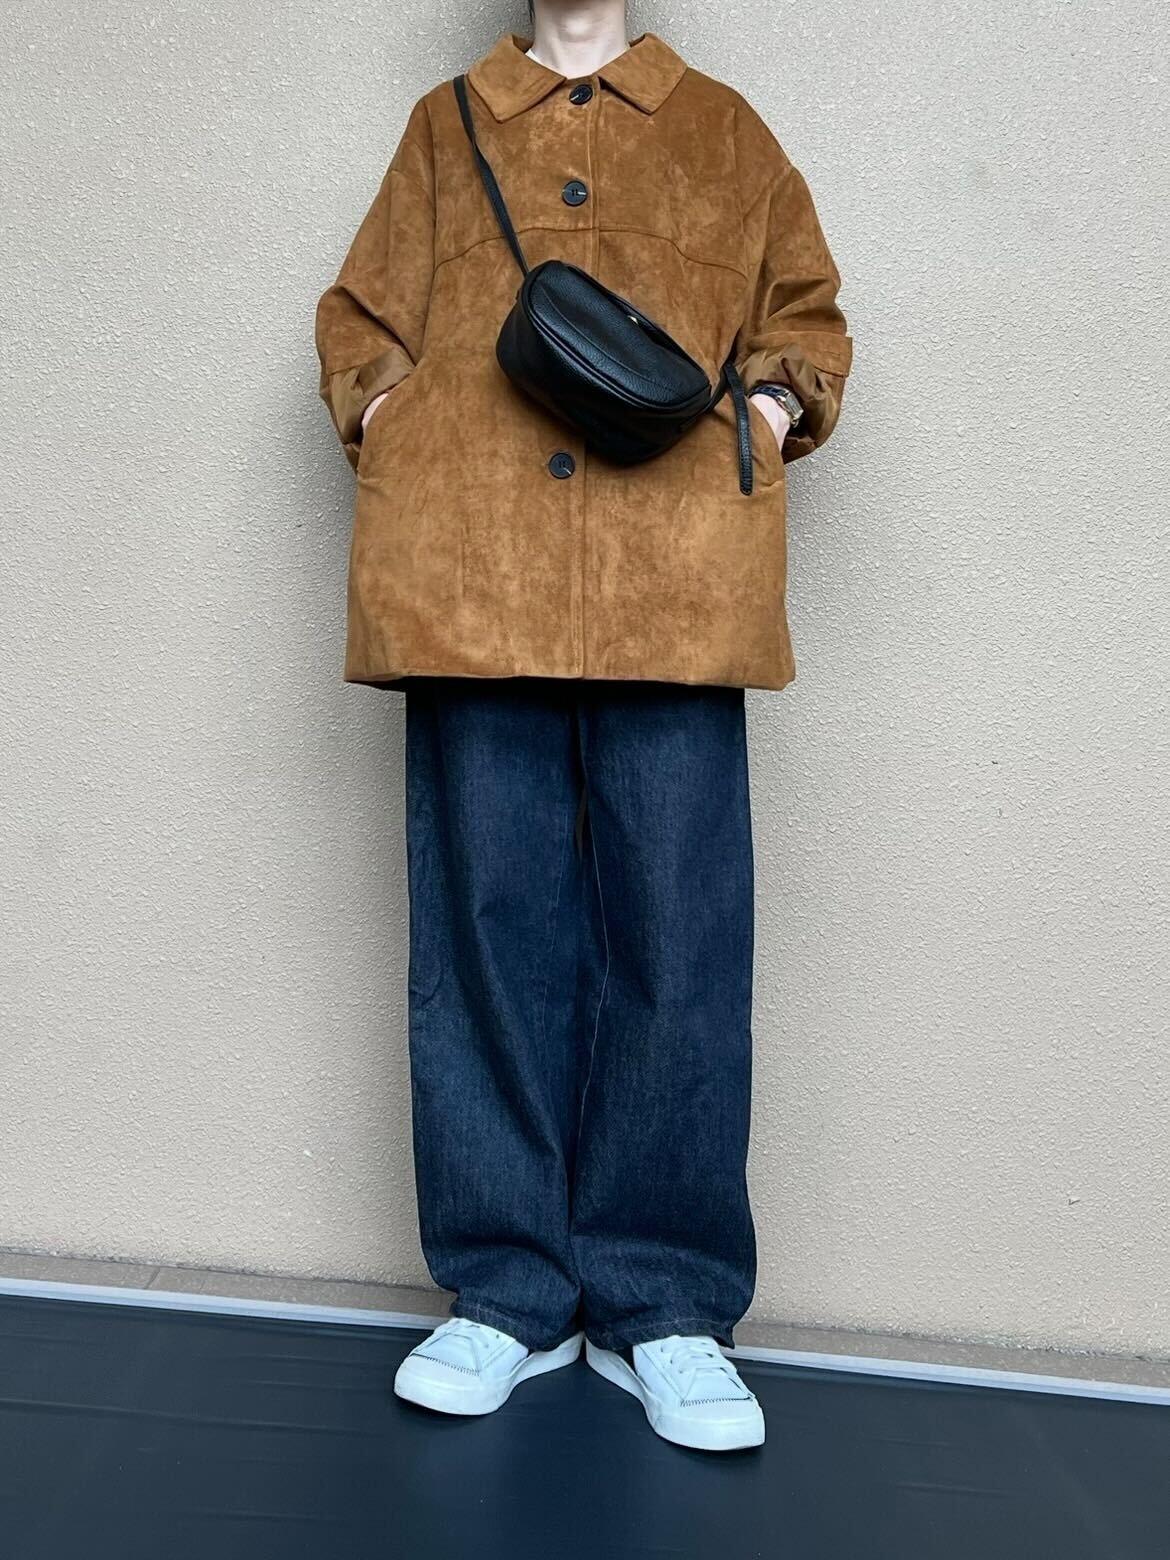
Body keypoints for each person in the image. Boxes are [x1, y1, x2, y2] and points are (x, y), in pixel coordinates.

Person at [314, 1, 852, 1453]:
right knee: (485, 938)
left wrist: (768, 413)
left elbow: (804, 318)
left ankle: (664, 1306)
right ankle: (505, 1291)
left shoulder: (720, 129)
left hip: (675, 592)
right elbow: (361, 319)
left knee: (678, 944)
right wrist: (388, 416)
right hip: (470, 583)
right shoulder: (446, 127)